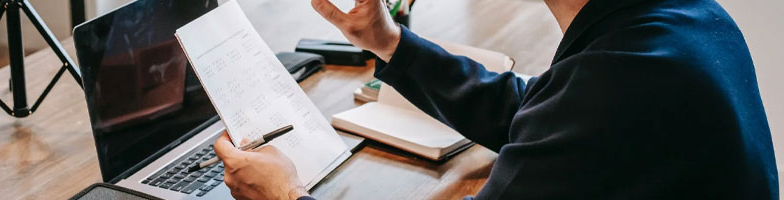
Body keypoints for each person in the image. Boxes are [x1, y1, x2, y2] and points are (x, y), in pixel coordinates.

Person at [213, 0, 779, 199]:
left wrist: (283, 195)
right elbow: (545, 113)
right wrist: (389, 43)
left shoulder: (621, 82)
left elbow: (576, 115)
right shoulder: (679, 19)